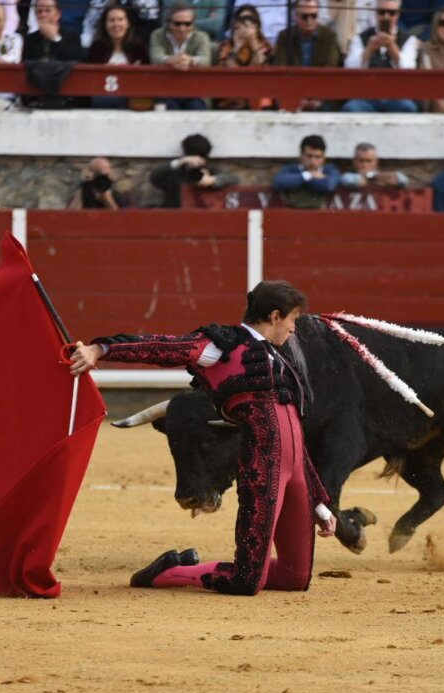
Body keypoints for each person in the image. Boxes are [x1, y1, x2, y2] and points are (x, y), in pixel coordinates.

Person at [68, 280, 337, 596]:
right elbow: (163, 347)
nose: (294, 329)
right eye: (292, 320)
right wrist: (101, 348)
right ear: (276, 316)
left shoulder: (279, 359)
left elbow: (294, 434)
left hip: (296, 474)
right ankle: (169, 572)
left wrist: (317, 501)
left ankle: (246, 568)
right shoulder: (222, 346)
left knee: (295, 578)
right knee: (245, 582)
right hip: (263, 467)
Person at [341, 0, 420, 113]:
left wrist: (392, 47)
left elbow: (409, 69)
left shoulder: (408, 39)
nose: (386, 17)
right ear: (375, 13)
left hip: (397, 96)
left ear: (398, 15)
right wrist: (369, 49)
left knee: (408, 108)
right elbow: (349, 68)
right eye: (382, 12)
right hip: (366, 96)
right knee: (351, 108)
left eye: (391, 13)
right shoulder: (361, 38)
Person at [272, 0, 342, 110]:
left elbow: (330, 69)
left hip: (322, 96)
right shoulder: (285, 36)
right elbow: (280, 68)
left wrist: (316, 99)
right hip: (292, 94)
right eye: (305, 17)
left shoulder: (329, 36)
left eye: (313, 16)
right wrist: (297, 98)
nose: (309, 20)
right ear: (296, 16)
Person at [149, 0, 213, 109]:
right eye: (177, 24)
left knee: (196, 108)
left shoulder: (202, 37)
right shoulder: (158, 35)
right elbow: (155, 57)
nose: (182, 28)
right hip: (166, 89)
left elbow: (205, 60)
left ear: (193, 24)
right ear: (169, 23)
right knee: (167, 107)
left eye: (187, 24)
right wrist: (172, 60)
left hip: (195, 91)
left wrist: (189, 60)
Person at [85, 3, 150, 109]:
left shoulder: (138, 47)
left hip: (132, 94)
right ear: (105, 24)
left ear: (128, 23)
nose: (116, 24)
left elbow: (147, 76)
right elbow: (90, 78)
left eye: (120, 19)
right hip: (104, 94)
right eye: (112, 20)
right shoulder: (97, 47)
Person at [148, 134, 241, 208]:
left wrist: (213, 180)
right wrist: (180, 162)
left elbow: (234, 179)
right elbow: (155, 176)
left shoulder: (211, 171)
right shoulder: (176, 175)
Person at [213, 4, 272, 109]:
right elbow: (225, 74)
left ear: (257, 26)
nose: (245, 24)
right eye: (241, 20)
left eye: (249, 20)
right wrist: (236, 47)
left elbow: (262, 71)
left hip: (257, 96)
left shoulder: (265, 46)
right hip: (231, 97)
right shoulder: (226, 46)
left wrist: (253, 43)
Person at [272, 134, 341, 208]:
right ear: (301, 156)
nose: (313, 161)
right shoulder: (291, 169)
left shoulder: (330, 170)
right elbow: (278, 182)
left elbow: (328, 185)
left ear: (323, 158)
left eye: (317, 157)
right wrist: (308, 175)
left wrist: (299, 180)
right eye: (309, 156)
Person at [67, 158, 131, 209]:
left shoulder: (120, 195)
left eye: (105, 177)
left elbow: (121, 220)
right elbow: (70, 218)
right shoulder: (83, 193)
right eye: (98, 176)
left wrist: (107, 197)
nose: (101, 181)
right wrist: (84, 187)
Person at [340, 142, 409, 189]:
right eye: (361, 161)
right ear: (354, 161)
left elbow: (402, 180)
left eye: (369, 161)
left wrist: (372, 176)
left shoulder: (381, 174)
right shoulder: (348, 175)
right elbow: (348, 180)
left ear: (376, 162)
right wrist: (376, 179)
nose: (365, 164)